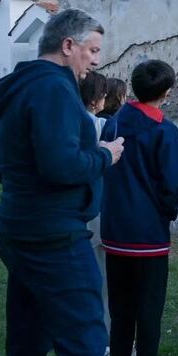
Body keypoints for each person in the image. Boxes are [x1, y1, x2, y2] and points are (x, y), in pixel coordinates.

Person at [0, 9, 124, 356]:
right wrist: (103, 155)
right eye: (92, 50)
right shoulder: (55, 88)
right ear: (68, 46)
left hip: (19, 230)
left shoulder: (22, 85)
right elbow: (61, 166)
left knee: (27, 343)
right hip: (55, 239)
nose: (96, 61)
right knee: (86, 347)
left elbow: (1, 164)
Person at [100, 60, 178, 356]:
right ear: (166, 92)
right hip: (148, 236)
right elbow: (174, 182)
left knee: (121, 311)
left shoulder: (114, 125)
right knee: (148, 311)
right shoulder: (164, 130)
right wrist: (166, 210)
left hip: (116, 231)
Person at [79, 71, 111, 340]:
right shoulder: (96, 125)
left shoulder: (69, 121)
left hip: (74, 210)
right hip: (95, 206)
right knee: (99, 277)